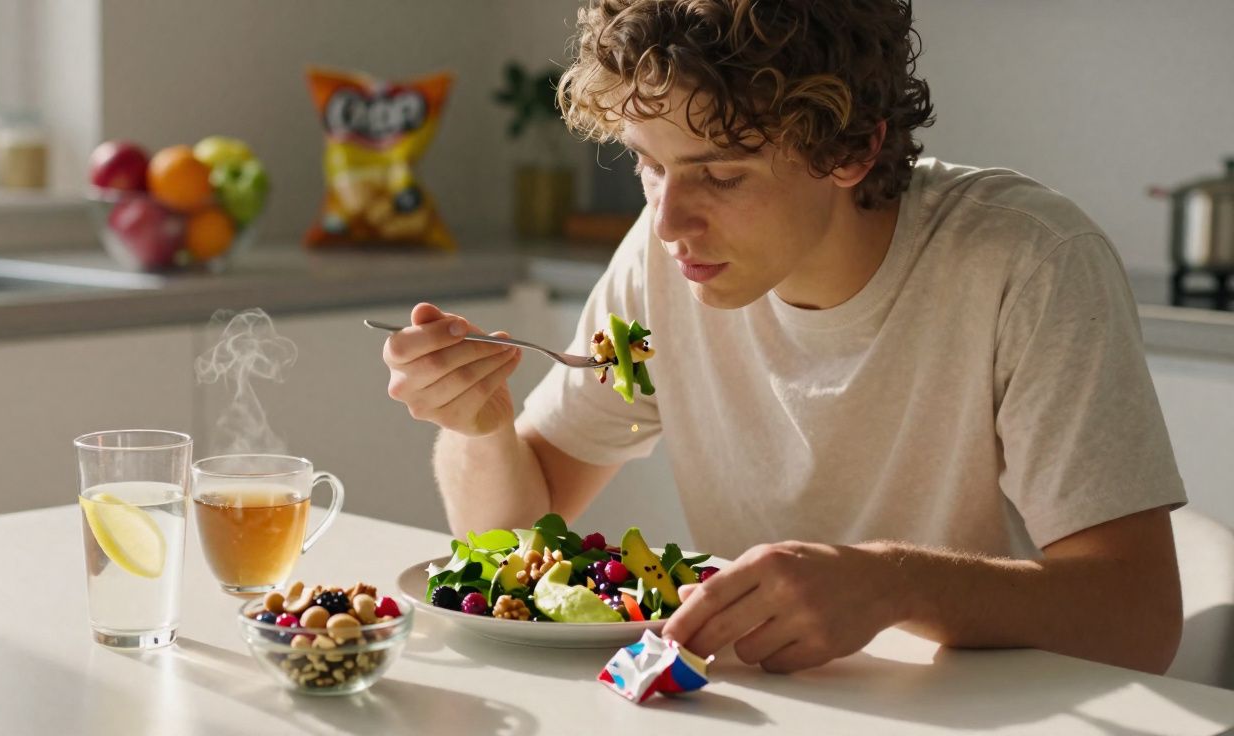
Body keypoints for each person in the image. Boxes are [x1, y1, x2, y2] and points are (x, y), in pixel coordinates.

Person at [380, 0, 1186, 675]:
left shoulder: (1028, 261)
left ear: (853, 147)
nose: (667, 223)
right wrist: (481, 428)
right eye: (648, 165)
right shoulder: (669, 260)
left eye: (722, 174)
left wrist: (894, 584)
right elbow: (521, 531)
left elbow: (1139, 618)